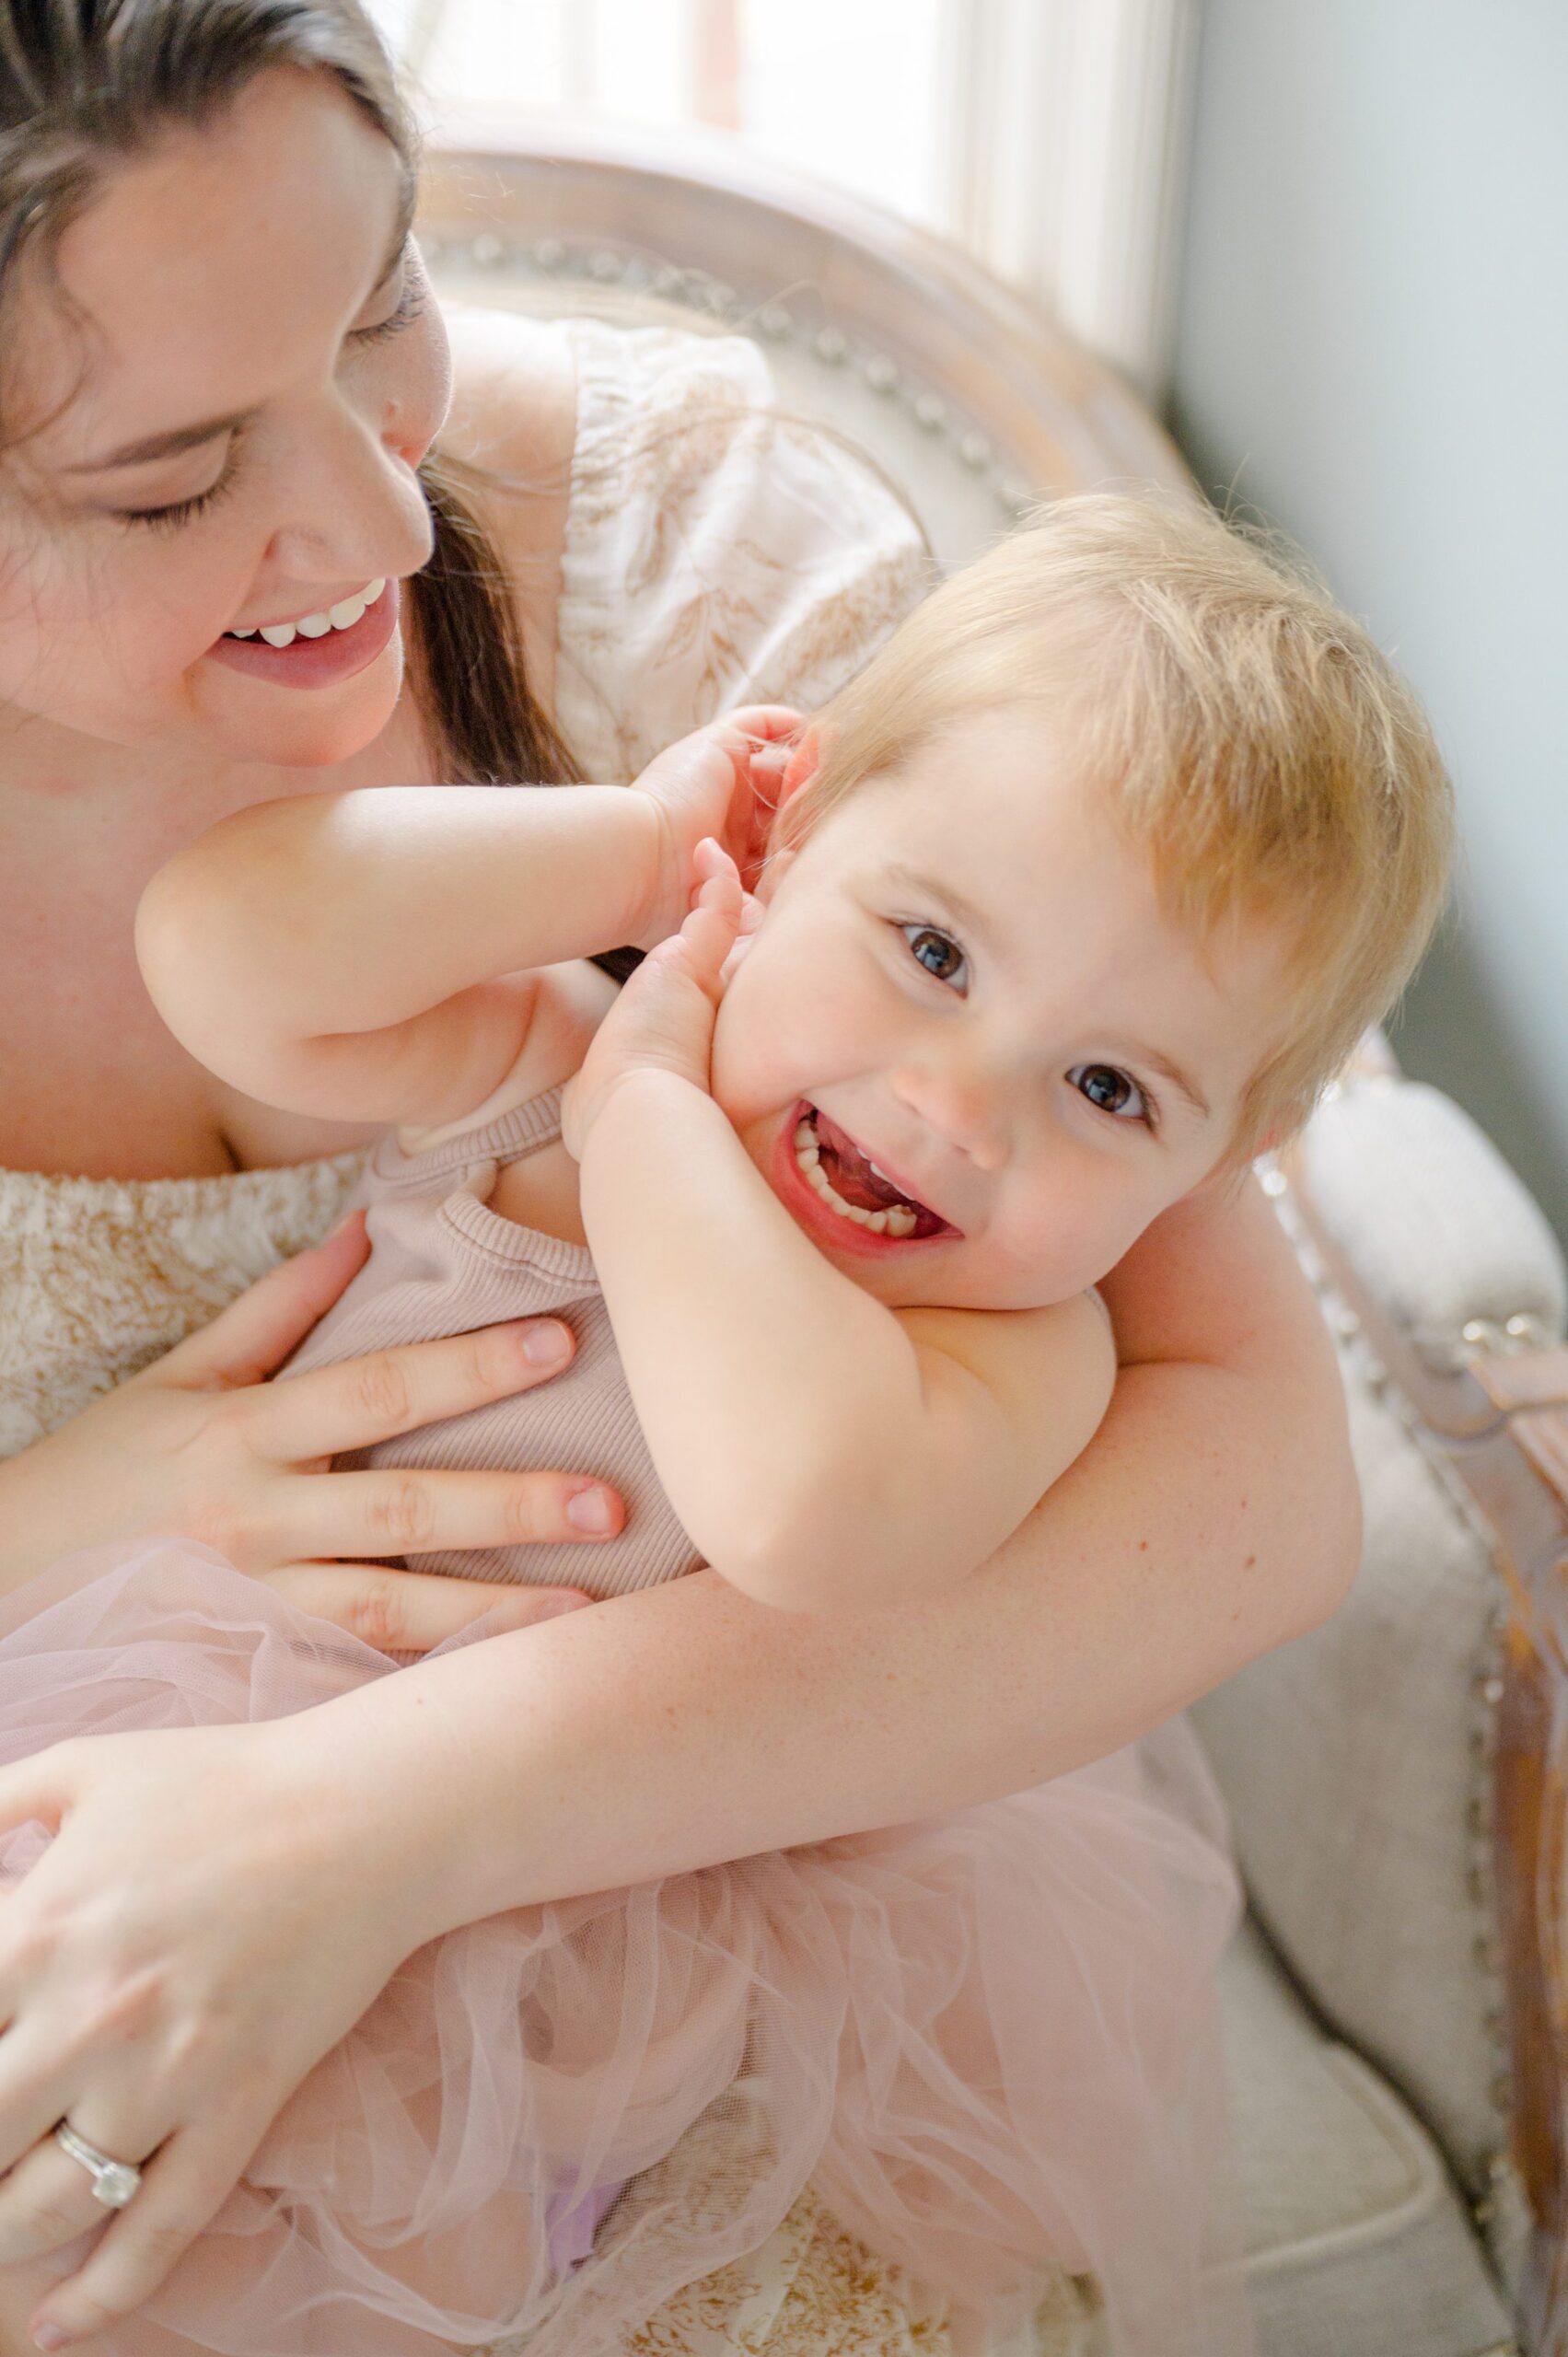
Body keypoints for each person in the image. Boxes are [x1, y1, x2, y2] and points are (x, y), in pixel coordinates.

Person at [0, 6, 1369, 2355]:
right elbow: (230, 944)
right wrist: (77, 1503)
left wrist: (365, 1823)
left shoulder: (717, 606)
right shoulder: (603, 966)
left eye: (381, 303)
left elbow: (1249, 1472)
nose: (386, 522)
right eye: (171, 475)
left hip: (708, 1891)